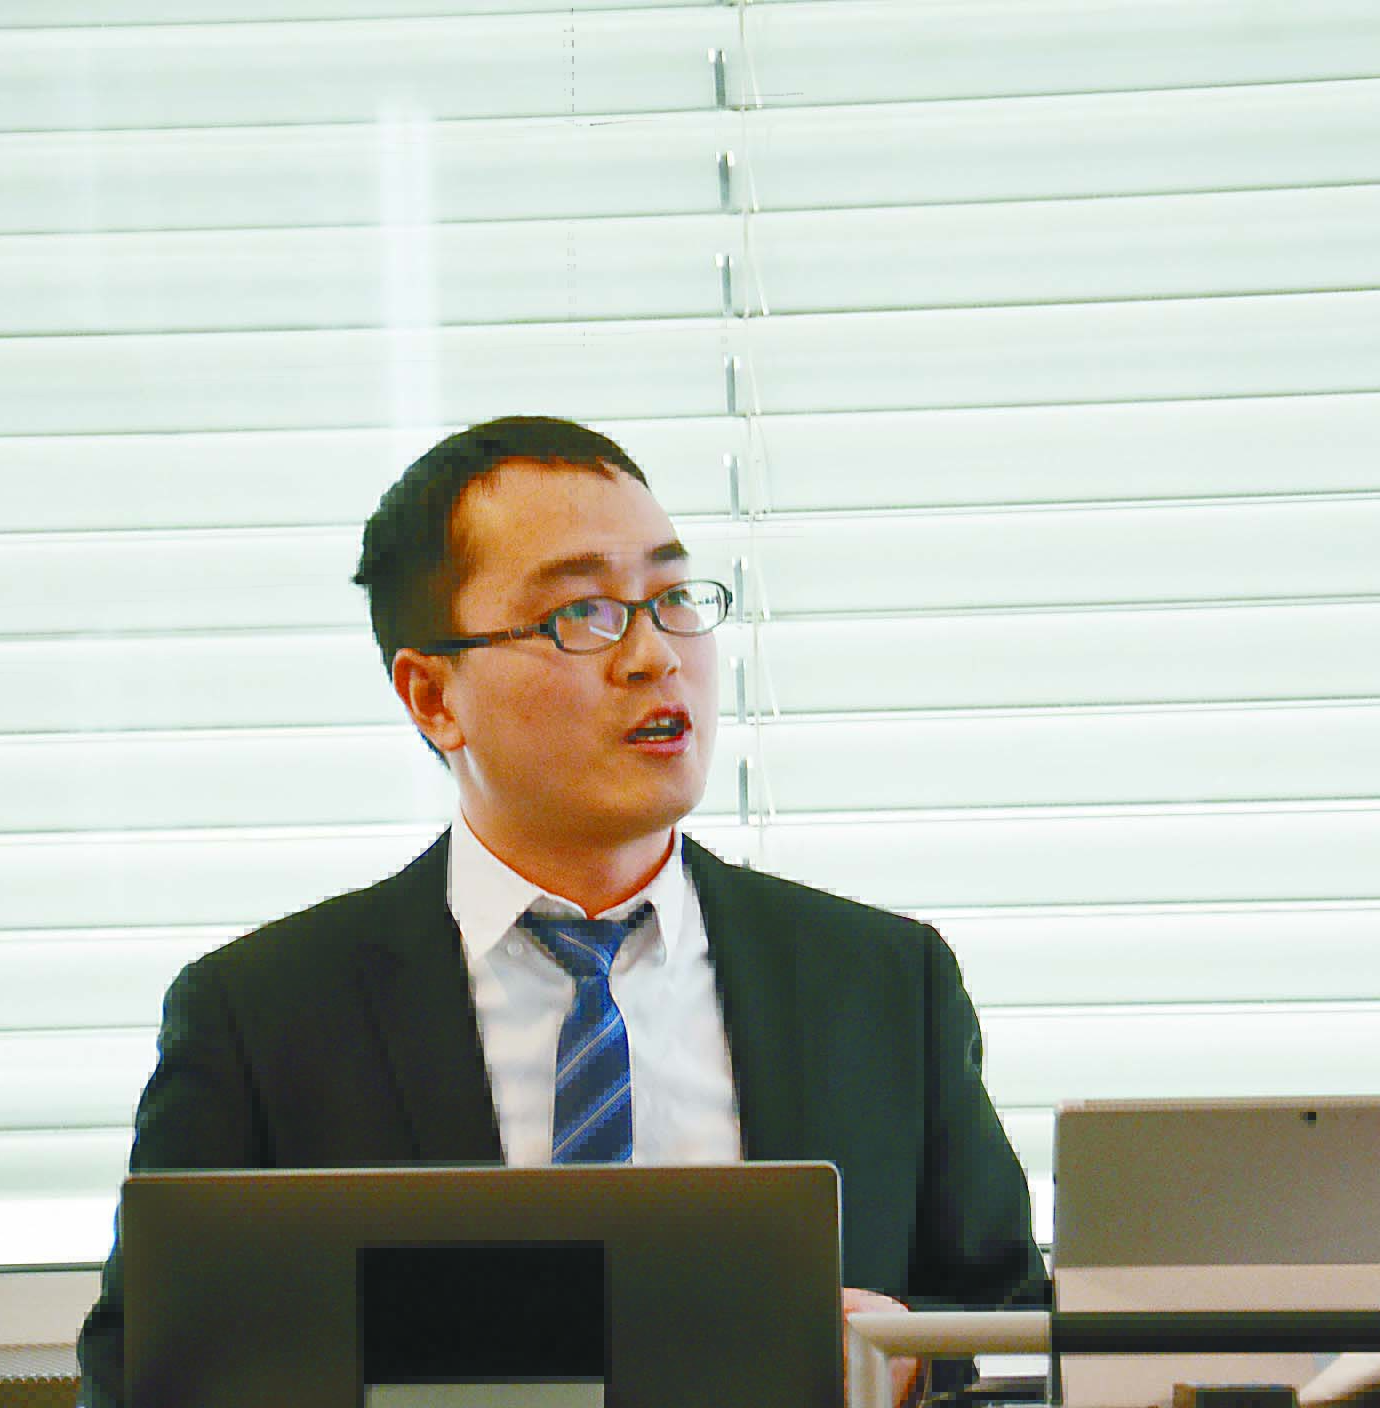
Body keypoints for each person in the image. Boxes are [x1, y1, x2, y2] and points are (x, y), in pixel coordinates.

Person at [75, 416, 1046, 1406]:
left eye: (672, 598)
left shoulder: (883, 983)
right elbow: (142, 1380)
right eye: (582, 613)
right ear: (432, 696)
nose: (653, 656)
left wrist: (910, 1359)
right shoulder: (262, 1017)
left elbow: (1019, 1331)